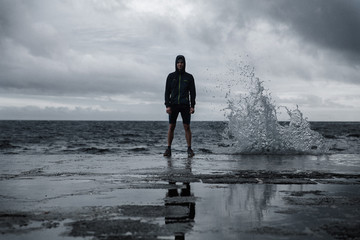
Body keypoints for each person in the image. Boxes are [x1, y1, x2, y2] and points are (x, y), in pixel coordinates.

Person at [164, 55, 196, 158]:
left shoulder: (189, 77)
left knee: (186, 126)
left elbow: (193, 92)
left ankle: (189, 149)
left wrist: (192, 106)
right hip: (173, 105)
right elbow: (167, 92)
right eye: (178, 62)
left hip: (185, 105)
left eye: (181, 62)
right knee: (171, 126)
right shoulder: (171, 76)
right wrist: (167, 105)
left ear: (184, 64)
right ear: (176, 63)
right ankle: (168, 149)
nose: (180, 64)